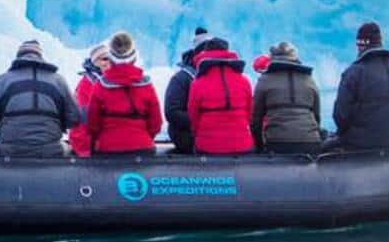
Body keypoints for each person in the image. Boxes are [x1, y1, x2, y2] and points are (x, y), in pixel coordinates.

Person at [0, 39, 84, 157]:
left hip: (10, 149)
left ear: (18, 57)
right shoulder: (59, 81)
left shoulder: (2, 80)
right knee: (69, 149)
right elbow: (74, 118)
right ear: (40, 56)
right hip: (52, 149)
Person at [72, 31, 162, 157]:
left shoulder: (100, 86)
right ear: (133, 57)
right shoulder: (146, 85)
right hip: (142, 147)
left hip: (108, 149)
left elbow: (93, 124)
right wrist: (143, 137)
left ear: (113, 58)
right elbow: (156, 123)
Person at [330, 22, 389, 150]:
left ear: (360, 45)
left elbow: (340, 116)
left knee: (326, 147)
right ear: (380, 42)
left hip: (363, 145)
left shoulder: (353, 72)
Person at [250, 41, 323, 153]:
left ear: (273, 57)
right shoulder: (309, 80)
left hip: (277, 142)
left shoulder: (265, 80)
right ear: (295, 57)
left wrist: (259, 147)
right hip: (310, 141)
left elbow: (256, 120)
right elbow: (317, 116)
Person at [187, 39, 255, 154]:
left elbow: (193, 115)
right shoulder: (244, 81)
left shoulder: (197, 83)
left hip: (207, 145)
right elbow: (250, 113)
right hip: (241, 144)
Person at [163, 26, 212, 154]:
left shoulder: (219, 75)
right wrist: (203, 121)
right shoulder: (182, 78)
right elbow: (172, 112)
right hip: (189, 137)